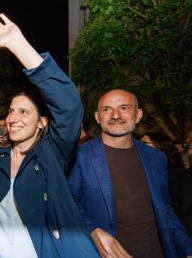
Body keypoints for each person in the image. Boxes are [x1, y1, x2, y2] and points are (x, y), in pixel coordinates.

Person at [0, 14, 99, 257]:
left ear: (42, 123)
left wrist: (18, 44)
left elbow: (69, 107)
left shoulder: (51, 155)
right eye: (10, 111)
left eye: (23, 111)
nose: (13, 118)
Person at [67, 89, 192, 258]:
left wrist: (187, 249)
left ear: (138, 115)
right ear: (97, 117)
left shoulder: (156, 157)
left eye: (124, 108)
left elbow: (166, 210)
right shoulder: (78, 157)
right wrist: (92, 230)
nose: (115, 115)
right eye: (106, 109)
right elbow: (66, 204)